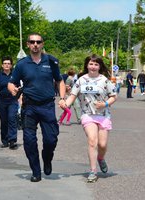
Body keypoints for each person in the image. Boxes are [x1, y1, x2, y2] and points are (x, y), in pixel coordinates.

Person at [8, 33, 66, 182]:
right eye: (32, 42)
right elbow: (12, 82)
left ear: (42, 44)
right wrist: (12, 89)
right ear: (27, 44)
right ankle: (35, 171)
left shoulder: (51, 61)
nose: (35, 44)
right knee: (29, 141)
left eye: (38, 42)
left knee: (51, 140)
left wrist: (62, 98)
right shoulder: (22, 64)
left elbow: (59, 81)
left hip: (47, 106)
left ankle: (47, 158)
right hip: (30, 107)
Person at [62, 54, 117, 183]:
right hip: (87, 115)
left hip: (103, 115)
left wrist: (105, 104)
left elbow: (113, 96)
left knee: (102, 144)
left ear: (99, 66)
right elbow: (73, 96)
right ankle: (93, 171)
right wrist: (65, 104)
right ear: (87, 65)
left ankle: (101, 158)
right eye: (91, 64)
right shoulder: (80, 80)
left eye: (96, 64)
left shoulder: (104, 80)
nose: (93, 67)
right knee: (92, 141)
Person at [0, 56, 19, 150]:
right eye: (5, 63)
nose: (7, 65)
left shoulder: (15, 75)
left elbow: (19, 88)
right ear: (2, 65)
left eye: (8, 63)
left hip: (13, 101)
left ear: (11, 65)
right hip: (2, 101)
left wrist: (21, 99)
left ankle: (12, 141)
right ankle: (5, 141)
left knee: (12, 119)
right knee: (4, 121)